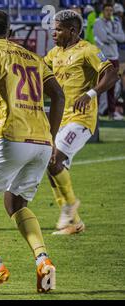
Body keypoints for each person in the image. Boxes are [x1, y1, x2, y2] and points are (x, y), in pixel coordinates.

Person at [0, 10, 65, 294]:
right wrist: (53, 137)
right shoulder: (34, 57)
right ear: (10, 32)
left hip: (10, 136)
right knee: (15, 203)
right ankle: (43, 261)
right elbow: (58, 95)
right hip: (42, 143)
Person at [44, 10, 118, 235]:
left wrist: (91, 94)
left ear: (73, 31)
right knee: (50, 163)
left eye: (58, 29)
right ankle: (73, 221)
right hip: (60, 118)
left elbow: (111, 73)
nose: (53, 33)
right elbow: (39, 72)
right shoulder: (54, 53)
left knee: (55, 158)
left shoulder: (88, 51)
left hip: (81, 120)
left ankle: (70, 206)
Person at [94, 2, 125, 120]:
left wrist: (110, 34)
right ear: (103, 11)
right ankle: (95, 113)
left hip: (114, 57)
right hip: (103, 57)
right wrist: (113, 37)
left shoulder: (116, 22)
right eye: (107, 10)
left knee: (112, 86)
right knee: (99, 84)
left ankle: (111, 113)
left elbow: (122, 38)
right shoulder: (98, 22)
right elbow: (103, 38)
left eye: (110, 10)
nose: (109, 12)